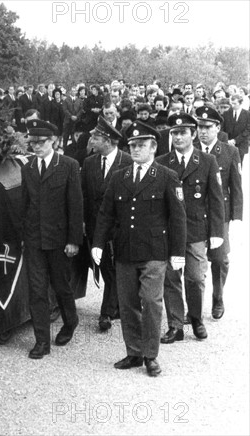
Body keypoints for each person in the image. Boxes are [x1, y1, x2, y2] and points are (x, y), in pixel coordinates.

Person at [92, 121, 186, 377]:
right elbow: (106, 214)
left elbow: (177, 217)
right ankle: (133, 352)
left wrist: (178, 252)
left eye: (141, 145)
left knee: (151, 302)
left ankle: (150, 355)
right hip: (124, 250)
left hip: (155, 251)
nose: (135, 149)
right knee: (128, 303)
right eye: (132, 145)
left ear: (153, 147)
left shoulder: (167, 176)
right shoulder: (119, 176)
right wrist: (98, 243)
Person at [155, 113, 225, 343]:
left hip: (195, 230)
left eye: (183, 132)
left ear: (193, 134)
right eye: (174, 133)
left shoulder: (206, 161)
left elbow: (216, 199)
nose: (178, 137)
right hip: (169, 231)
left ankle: (195, 318)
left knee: (195, 277)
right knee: (171, 278)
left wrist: (216, 232)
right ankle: (175, 325)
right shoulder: (163, 162)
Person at [21, 119, 83, 359]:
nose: (36, 146)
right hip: (35, 239)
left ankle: (70, 321)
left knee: (61, 287)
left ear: (54, 141)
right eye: (33, 142)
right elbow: (25, 205)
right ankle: (41, 342)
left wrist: (73, 240)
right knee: (36, 290)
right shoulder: (27, 168)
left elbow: (75, 205)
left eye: (42, 142)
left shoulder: (68, 165)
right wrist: (23, 237)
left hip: (59, 240)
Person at [81, 117, 132, 331]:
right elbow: (83, 195)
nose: (91, 140)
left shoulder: (127, 161)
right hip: (94, 227)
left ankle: (107, 313)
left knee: (112, 271)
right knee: (105, 268)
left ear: (109, 141)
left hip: (118, 230)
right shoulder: (90, 162)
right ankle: (117, 305)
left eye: (96, 137)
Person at [195, 106, 243, 319]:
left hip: (219, 213)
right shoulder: (191, 149)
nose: (202, 131)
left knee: (220, 258)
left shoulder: (230, 152)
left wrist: (236, 215)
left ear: (218, 128)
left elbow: (236, 185)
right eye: (199, 127)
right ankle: (194, 304)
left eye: (207, 127)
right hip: (194, 212)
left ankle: (218, 296)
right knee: (193, 260)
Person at [222, 94, 249, 164]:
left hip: (241, 144)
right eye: (231, 103)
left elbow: (247, 130)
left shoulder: (247, 114)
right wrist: (227, 140)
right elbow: (223, 128)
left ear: (241, 103)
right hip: (227, 143)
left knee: (238, 166)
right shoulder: (226, 113)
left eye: (235, 104)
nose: (232, 106)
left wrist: (235, 141)